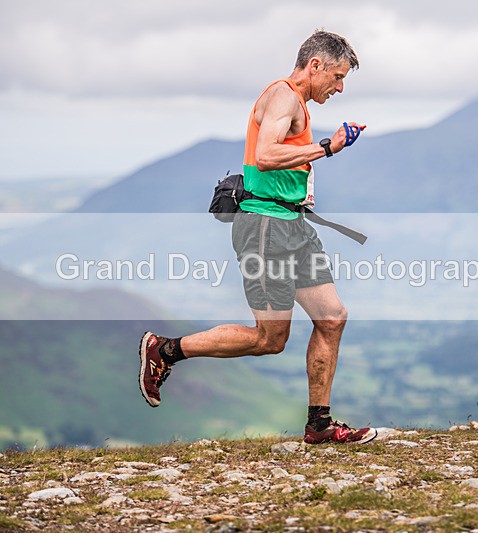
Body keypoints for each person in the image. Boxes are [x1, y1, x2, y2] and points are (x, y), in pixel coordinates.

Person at [138, 30, 376, 445]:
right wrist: (328, 147)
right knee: (270, 339)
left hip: (293, 226)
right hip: (266, 229)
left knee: (332, 318)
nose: (339, 87)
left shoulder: (297, 102)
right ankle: (165, 350)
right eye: (337, 77)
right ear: (314, 65)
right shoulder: (283, 96)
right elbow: (265, 156)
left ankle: (319, 425)